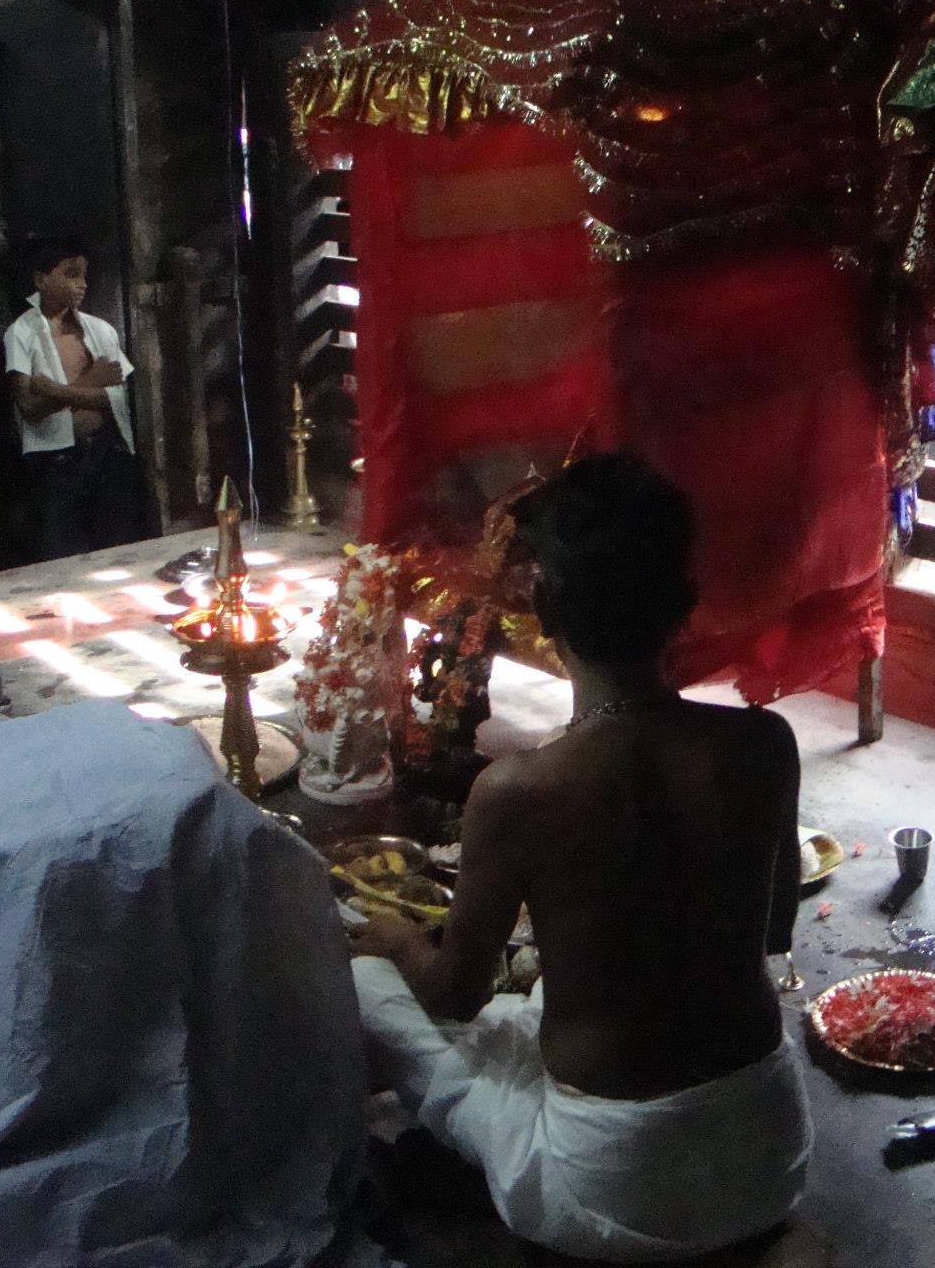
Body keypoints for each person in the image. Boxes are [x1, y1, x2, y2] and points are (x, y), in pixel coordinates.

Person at [348, 453, 812, 1263]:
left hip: (610, 1190)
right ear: (684, 606)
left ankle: (459, 1167)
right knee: (523, 1020)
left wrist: (392, 938)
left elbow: (454, 994)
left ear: (543, 603)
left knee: (374, 988)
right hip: (770, 1155)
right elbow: (773, 932)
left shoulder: (519, 789)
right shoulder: (764, 744)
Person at [4, 236, 144, 559]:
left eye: (83, 274)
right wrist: (90, 384)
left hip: (108, 452)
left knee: (116, 551)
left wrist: (57, 390)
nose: (81, 284)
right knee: (63, 555)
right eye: (70, 274)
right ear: (41, 280)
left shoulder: (100, 330)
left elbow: (116, 398)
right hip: (56, 463)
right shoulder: (21, 333)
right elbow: (29, 408)